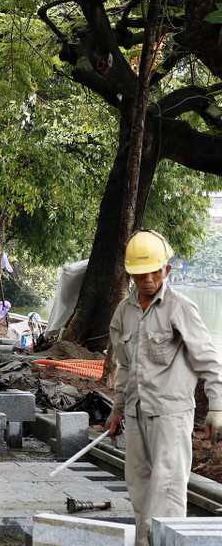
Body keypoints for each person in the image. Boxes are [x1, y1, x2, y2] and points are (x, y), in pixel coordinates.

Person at [106, 229, 222, 546]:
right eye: (141, 273)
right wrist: (117, 409)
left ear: (166, 270)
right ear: (131, 274)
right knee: (139, 485)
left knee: (167, 489)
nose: (148, 279)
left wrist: (216, 407)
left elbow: (208, 360)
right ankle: (146, 542)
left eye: (155, 271)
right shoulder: (123, 313)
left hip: (171, 416)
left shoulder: (180, 308)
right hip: (136, 412)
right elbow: (126, 367)